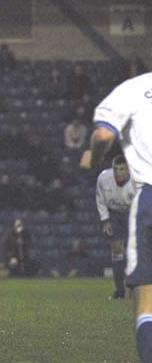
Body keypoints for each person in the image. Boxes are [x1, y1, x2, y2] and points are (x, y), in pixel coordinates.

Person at [80, 71, 152, 363]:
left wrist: (95, 156)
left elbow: (104, 134)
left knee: (146, 299)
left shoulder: (135, 88)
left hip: (150, 195)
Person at [95, 155, 135, 299]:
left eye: (122, 169)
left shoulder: (138, 181)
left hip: (132, 214)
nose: (118, 172)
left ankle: (134, 288)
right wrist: (105, 220)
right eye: (115, 169)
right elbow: (99, 199)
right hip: (113, 215)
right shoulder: (103, 178)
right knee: (117, 250)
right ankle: (119, 291)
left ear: (128, 169)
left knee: (134, 252)